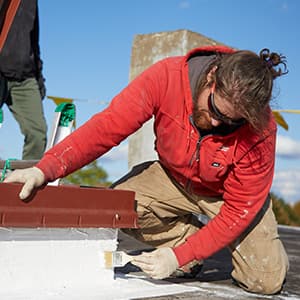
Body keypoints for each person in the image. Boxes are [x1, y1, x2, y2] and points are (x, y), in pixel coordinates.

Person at [4, 45, 288, 295]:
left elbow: (239, 210)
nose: (216, 123)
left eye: (230, 122)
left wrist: (175, 259)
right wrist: (45, 169)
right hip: (173, 177)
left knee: (265, 280)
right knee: (117, 209)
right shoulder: (166, 77)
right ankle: (186, 243)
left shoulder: (260, 129)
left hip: (226, 195)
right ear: (212, 77)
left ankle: (187, 251)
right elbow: (108, 126)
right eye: (215, 109)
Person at [0, 0, 47, 159]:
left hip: (25, 77)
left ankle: (26, 179)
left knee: (38, 133)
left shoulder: (30, 2)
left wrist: (39, 79)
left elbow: (34, 40)